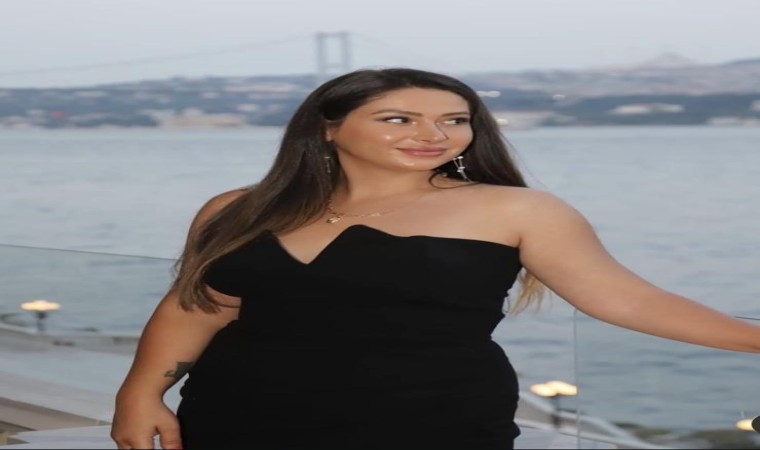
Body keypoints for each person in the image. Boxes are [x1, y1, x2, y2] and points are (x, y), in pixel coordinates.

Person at [110, 67, 760, 450]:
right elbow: (200, 308)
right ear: (328, 128)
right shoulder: (237, 207)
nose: (433, 134)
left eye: (454, 119)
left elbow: (628, 301)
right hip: (235, 417)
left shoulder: (515, 210)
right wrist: (139, 394)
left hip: (428, 423)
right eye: (398, 119)